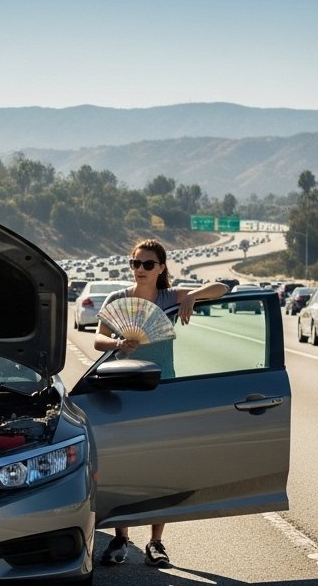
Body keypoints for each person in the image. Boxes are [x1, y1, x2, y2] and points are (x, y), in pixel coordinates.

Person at [93, 239, 226, 567]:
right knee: (122, 467)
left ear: (161, 268)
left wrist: (193, 296)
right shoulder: (117, 299)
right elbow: (97, 339)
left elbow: (222, 287)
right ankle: (121, 539)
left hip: (162, 390)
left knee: (160, 469)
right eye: (135, 263)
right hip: (124, 390)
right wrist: (117, 343)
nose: (139, 270)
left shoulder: (170, 298)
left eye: (147, 264)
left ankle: (156, 542)